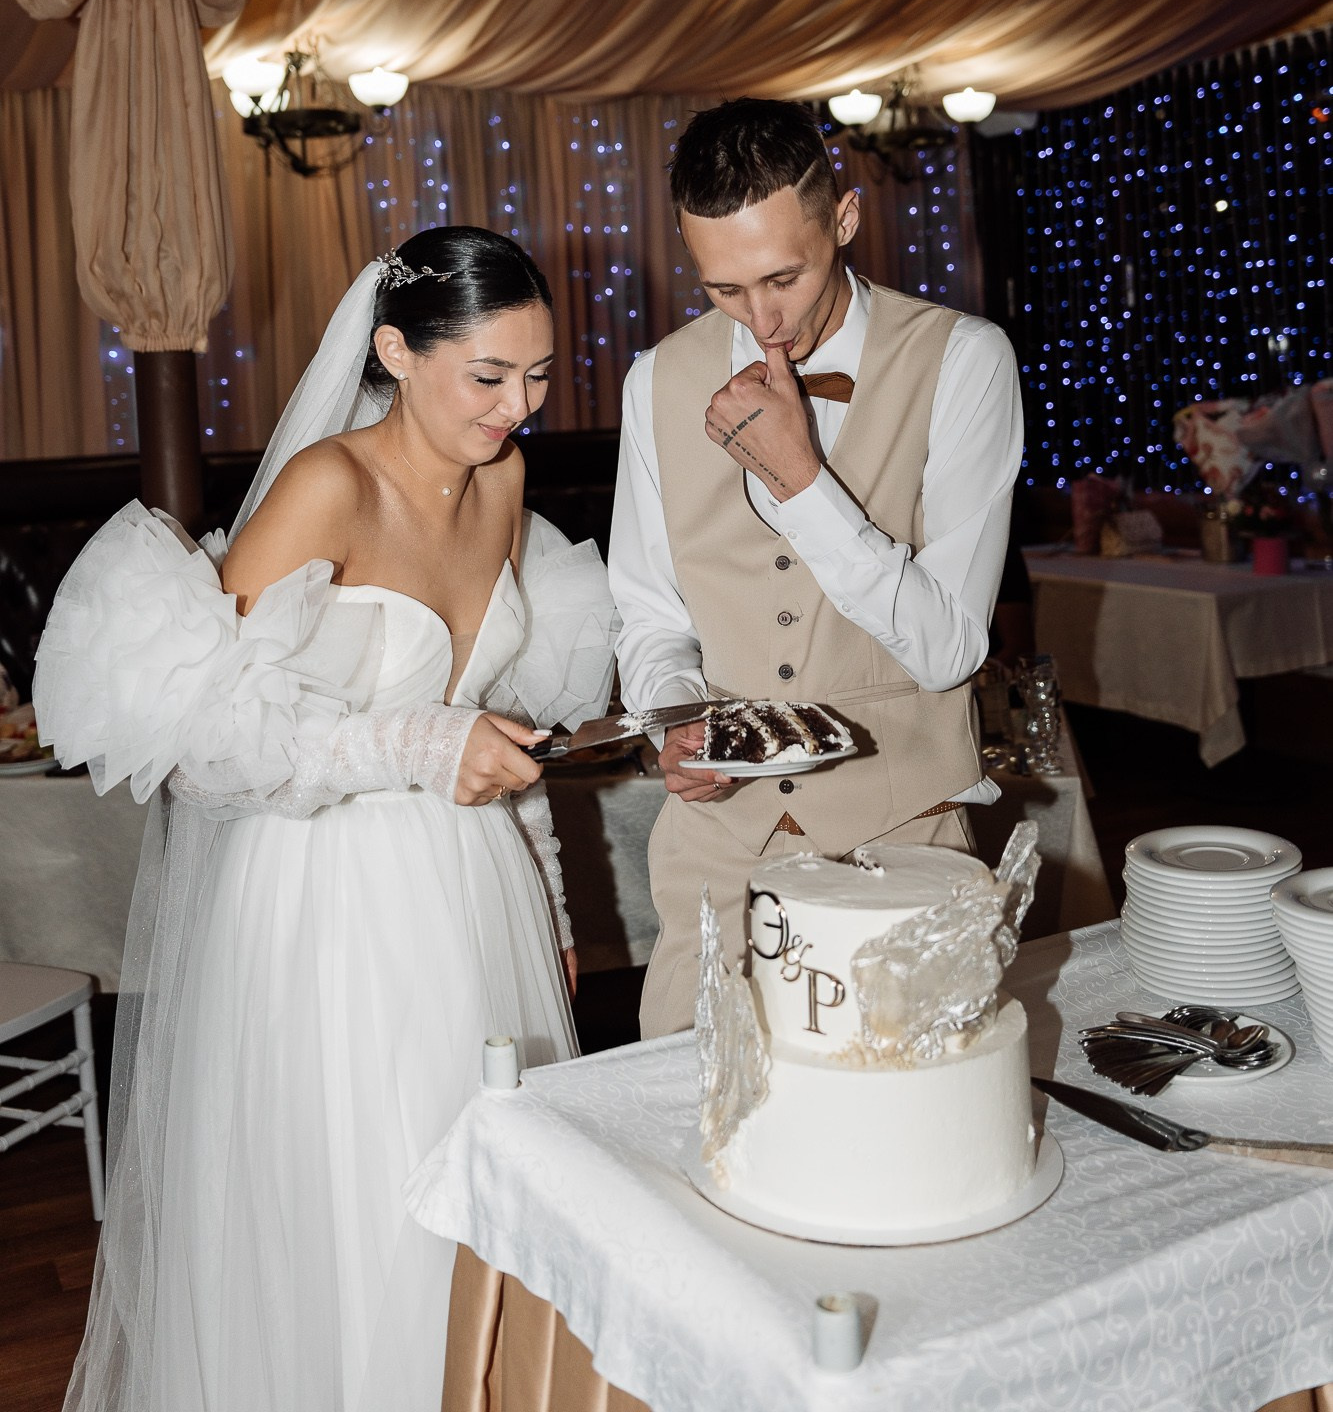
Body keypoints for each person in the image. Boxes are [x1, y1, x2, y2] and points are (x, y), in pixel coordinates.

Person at [34, 226, 618, 1412]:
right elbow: (211, 747)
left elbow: (494, 713)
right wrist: (418, 743)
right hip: (324, 896)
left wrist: (551, 901)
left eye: (538, 373)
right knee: (367, 1192)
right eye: (489, 374)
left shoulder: (503, 479)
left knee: (491, 1188)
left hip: (475, 883)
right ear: (395, 351)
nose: (518, 406)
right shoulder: (326, 486)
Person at [609, 99, 1023, 1037]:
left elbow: (948, 649)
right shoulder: (655, 381)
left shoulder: (962, 360)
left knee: (910, 1101)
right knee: (687, 1099)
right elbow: (649, 614)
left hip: (903, 834)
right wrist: (678, 717)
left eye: (782, 278)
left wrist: (802, 482)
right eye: (723, 289)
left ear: (842, 218)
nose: (762, 318)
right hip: (717, 853)